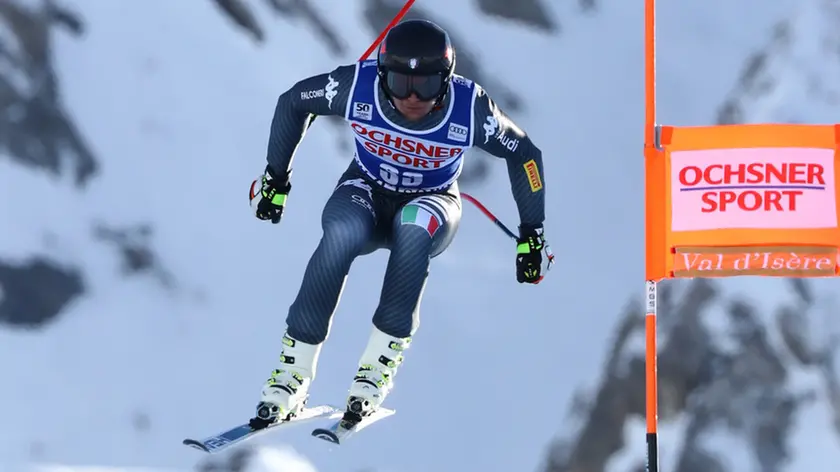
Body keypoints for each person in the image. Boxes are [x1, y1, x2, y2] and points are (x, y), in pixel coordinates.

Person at [247, 18, 552, 428]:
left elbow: (525, 155)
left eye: (425, 86)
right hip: (366, 189)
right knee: (341, 231)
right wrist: (275, 180)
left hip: (434, 200)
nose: (410, 97)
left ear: (446, 80)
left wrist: (532, 235)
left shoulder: (469, 106)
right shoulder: (358, 85)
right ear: (381, 72)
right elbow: (293, 101)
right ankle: (291, 375)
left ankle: (374, 373)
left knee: (414, 227)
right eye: (398, 82)